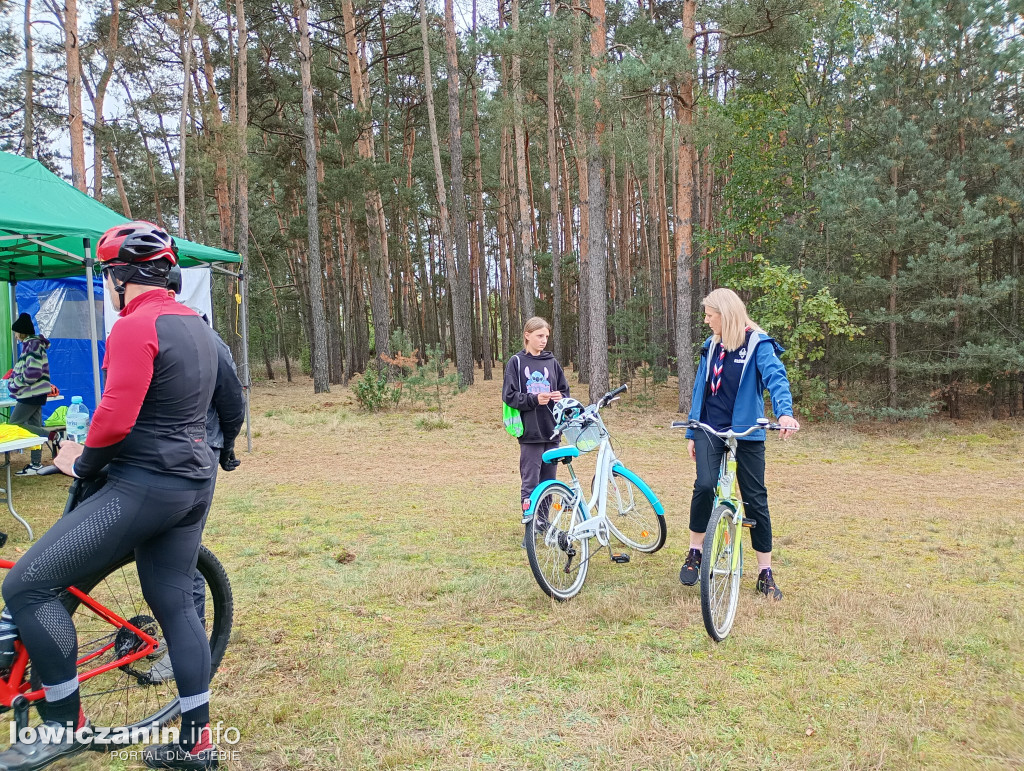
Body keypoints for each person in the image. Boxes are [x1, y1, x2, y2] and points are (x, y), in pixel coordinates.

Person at [0, 221, 226, 771]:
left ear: (121, 276)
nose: (106, 285)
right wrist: (230, 448)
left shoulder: (133, 324)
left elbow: (112, 418)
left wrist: (85, 463)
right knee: (173, 601)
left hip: (142, 484)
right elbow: (233, 395)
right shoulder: (196, 324)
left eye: (106, 275)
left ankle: (62, 725)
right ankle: (195, 744)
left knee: (27, 587)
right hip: (193, 483)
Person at [679, 288, 799, 600]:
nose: (706, 321)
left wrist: (785, 413)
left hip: (747, 432)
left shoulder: (758, 343)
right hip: (709, 428)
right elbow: (699, 390)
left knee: (755, 498)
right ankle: (695, 551)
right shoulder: (711, 345)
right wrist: (693, 431)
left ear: (727, 314)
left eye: (710, 315)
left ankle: (765, 572)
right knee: (704, 485)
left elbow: (777, 378)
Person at [502, 317, 568, 546]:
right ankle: (529, 529)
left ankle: (543, 524)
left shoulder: (552, 362)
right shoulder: (516, 363)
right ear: (527, 335)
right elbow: (509, 396)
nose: (544, 341)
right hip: (530, 433)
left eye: (546, 336)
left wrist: (561, 397)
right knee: (530, 483)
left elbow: (565, 392)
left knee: (549, 482)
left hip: (552, 432)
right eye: (540, 336)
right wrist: (533, 399)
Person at [6, 313, 56, 475]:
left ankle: (53, 436)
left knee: (15, 424)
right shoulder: (33, 344)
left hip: (30, 394)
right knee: (34, 427)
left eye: (15, 332)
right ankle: (36, 464)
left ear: (21, 332)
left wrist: (15, 383)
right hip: (37, 393)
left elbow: (32, 373)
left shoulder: (32, 345)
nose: (14, 336)